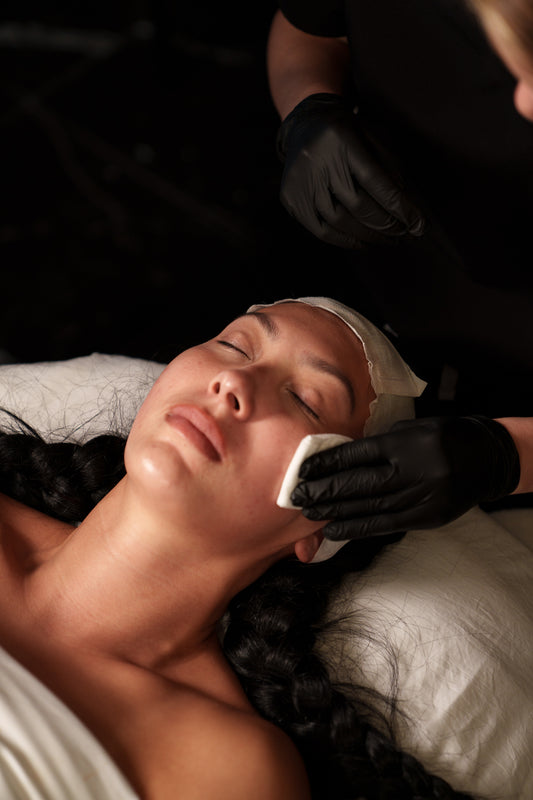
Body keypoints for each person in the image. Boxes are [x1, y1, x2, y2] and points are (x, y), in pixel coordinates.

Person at [0, 296, 481, 799]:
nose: (234, 381)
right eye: (235, 345)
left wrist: (507, 454)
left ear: (322, 528)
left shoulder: (226, 768)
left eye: (306, 401)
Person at [266, 1, 533, 543]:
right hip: (394, 269)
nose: (523, 100)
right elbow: (307, 32)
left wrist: (513, 455)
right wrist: (309, 111)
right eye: (234, 345)